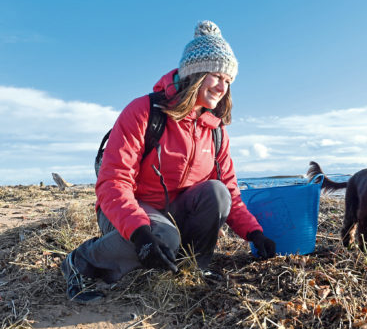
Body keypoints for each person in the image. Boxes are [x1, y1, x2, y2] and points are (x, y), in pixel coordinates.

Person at [61, 20, 276, 303]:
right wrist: (140, 234)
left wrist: (254, 232)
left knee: (217, 192)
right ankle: (81, 261)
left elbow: (230, 192)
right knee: (163, 234)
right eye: (216, 75)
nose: (223, 87)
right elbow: (113, 182)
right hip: (127, 213)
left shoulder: (216, 130)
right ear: (195, 74)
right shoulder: (144, 112)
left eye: (228, 80)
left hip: (173, 216)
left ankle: (192, 268)